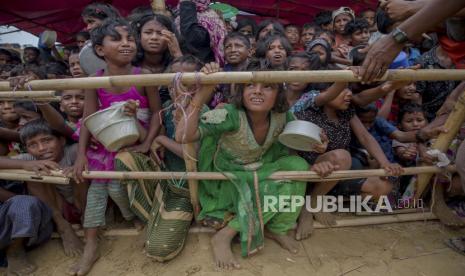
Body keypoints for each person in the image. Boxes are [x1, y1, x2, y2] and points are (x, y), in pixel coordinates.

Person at [175, 59, 312, 269]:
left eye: (267, 87)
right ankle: (225, 235)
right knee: (263, 184)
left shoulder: (282, 116)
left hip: (258, 168)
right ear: (240, 90)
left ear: (279, 95)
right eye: (250, 85)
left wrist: (317, 144)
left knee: (299, 166)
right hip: (227, 179)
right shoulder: (229, 114)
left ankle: (276, 228)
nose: (257, 91)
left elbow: (297, 141)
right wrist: (204, 92)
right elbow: (183, 135)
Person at [70, 18, 162, 276]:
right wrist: (80, 155)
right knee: (98, 188)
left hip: (135, 137)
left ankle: (137, 219)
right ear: (100, 50)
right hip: (108, 142)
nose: (126, 44)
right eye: (117, 39)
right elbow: (88, 119)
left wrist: (146, 143)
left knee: (116, 186)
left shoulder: (143, 76)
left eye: (130, 39)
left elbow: (156, 113)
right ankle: (90, 243)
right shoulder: (94, 80)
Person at [294, 85, 403, 240]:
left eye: (349, 90)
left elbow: (365, 137)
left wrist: (385, 163)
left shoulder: (346, 111)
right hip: (314, 170)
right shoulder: (307, 111)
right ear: (325, 92)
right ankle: (311, 203)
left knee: (383, 187)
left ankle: (320, 199)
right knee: (342, 156)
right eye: (342, 90)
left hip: (339, 173)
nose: (349, 94)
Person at [0, 119, 85, 257]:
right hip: (58, 212)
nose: (41, 148)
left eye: (46, 140)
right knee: (34, 173)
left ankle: (87, 220)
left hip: (83, 205)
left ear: (62, 141)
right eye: (32, 145)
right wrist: (23, 165)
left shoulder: (74, 151)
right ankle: (64, 228)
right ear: (26, 148)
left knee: (79, 171)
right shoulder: (31, 159)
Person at [359, 0, 465, 82]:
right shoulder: (445, 39)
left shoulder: (452, 21)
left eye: (400, 29)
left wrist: (413, 7)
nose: (405, 42)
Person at [0, 180, 53, 276]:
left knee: (28, 205)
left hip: (20, 226)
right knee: (25, 203)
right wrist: (24, 164)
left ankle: (15, 250)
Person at [176, 0, 227, 64]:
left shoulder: (210, 17)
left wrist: (187, 5)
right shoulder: (179, 16)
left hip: (204, 67)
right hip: (180, 67)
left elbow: (192, 37)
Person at [79, 2, 120, 75]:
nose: (88, 28)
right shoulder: (88, 49)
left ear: (107, 20)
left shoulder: (127, 43)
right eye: (87, 24)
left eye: (91, 22)